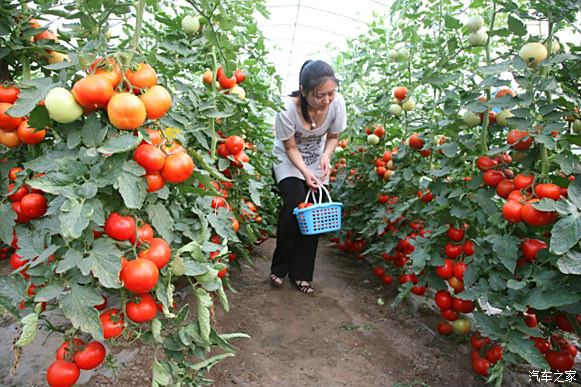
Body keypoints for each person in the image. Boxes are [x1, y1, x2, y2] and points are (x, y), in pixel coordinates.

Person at [270, 59, 346, 294]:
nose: (326, 100)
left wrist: (326, 156)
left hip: (316, 161)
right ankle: (279, 268)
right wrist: (305, 173)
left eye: (331, 93)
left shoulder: (337, 103)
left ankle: (301, 274)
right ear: (303, 91)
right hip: (288, 161)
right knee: (295, 205)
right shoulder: (287, 110)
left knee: (315, 210)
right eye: (319, 95)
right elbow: (291, 148)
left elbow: (333, 136)